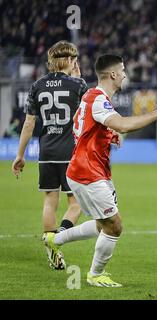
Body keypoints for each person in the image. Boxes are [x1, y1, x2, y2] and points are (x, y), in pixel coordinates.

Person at [42, 54, 157, 287]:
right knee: (114, 226)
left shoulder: (91, 95)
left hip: (88, 170)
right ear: (114, 74)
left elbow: (81, 125)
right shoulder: (98, 98)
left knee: (101, 224)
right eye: (123, 70)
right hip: (88, 172)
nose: (126, 74)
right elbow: (124, 124)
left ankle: (55, 240)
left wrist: (108, 135)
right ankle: (96, 274)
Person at [12, 41, 87, 270]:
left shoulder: (37, 86)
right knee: (77, 204)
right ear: (70, 60)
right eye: (74, 59)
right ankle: (58, 238)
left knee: (49, 201)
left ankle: (51, 248)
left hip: (46, 152)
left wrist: (20, 155)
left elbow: (29, 124)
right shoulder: (78, 85)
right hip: (70, 152)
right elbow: (90, 114)